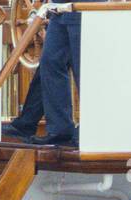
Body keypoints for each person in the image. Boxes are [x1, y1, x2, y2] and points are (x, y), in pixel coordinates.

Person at [25, 0, 109, 148]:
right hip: (59, 9)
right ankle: (59, 130)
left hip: (85, 8)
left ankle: (94, 129)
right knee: (50, 62)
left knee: (85, 69)